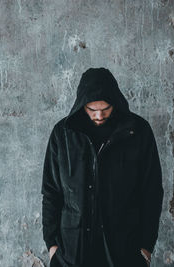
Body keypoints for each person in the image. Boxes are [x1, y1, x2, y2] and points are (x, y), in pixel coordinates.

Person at [41, 67, 164, 267]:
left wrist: (146, 246)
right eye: (92, 110)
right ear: (82, 105)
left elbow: (151, 191)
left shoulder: (138, 131)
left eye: (105, 109)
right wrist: (52, 245)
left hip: (124, 250)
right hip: (72, 251)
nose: (99, 115)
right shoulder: (62, 134)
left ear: (115, 103)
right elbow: (51, 192)